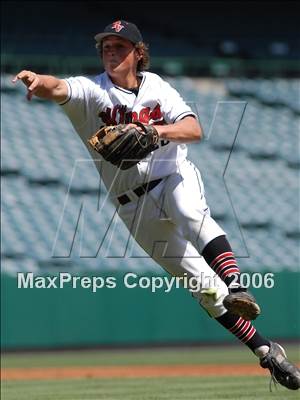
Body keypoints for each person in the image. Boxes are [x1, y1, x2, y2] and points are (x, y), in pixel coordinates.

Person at [13, 20, 300, 390]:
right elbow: (60, 87)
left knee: (191, 212)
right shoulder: (92, 92)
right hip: (131, 205)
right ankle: (267, 352)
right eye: (105, 47)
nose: (111, 52)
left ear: (137, 53)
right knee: (205, 291)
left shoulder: (157, 87)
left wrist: (153, 131)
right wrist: (39, 80)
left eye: (119, 46)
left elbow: (194, 130)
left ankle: (237, 284)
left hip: (171, 176)